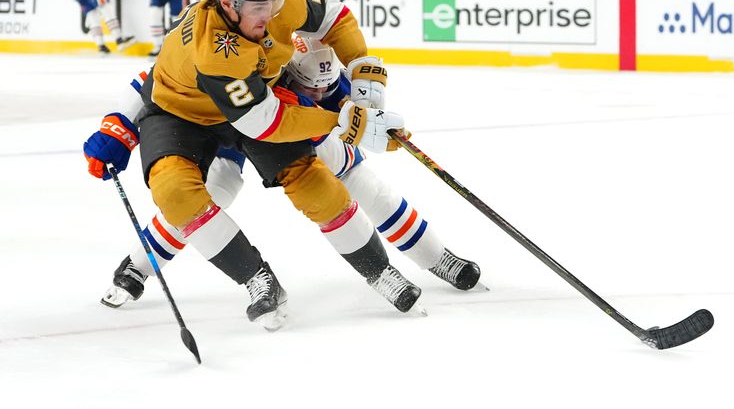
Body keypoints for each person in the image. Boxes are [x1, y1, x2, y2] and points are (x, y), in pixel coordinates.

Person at [83, 0, 418, 329]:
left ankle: (380, 271)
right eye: (261, 8)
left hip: (254, 103)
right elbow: (265, 122)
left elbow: (334, 16)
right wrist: (119, 124)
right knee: (177, 194)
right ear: (228, 4)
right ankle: (255, 278)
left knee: (311, 180)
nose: (272, 14)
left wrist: (359, 66)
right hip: (184, 115)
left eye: (274, 2)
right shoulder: (213, 50)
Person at [97, 36, 481, 310]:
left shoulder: (323, 73)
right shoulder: (250, 54)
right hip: (225, 126)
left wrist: (378, 124)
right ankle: (139, 265)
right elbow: (152, 78)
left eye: (326, 88)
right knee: (208, 194)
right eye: (309, 88)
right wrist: (119, 125)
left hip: (285, 129)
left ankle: (437, 257)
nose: (320, 94)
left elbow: (348, 108)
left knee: (361, 181)